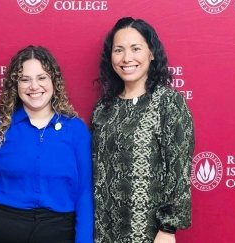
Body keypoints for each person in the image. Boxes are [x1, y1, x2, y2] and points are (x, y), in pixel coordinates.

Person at [0, 45, 93, 243]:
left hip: (58, 231)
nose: (34, 86)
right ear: (16, 85)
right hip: (0, 229)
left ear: (53, 81)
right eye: (25, 79)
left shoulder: (76, 130)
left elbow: (84, 192)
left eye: (41, 78)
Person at [91, 17, 195, 243]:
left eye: (135, 48)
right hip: (103, 231)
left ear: (152, 53)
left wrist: (168, 229)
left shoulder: (168, 102)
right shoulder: (103, 108)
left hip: (149, 233)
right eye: (119, 50)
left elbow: (179, 169)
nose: (126, 58)